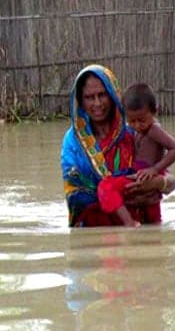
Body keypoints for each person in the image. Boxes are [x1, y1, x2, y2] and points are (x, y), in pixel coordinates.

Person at [61, 65, 167, 227]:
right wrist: (115, 193)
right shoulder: (73, 143)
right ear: (80, 102)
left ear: (113, 95)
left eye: (102, 95)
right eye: (89, 97)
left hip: (141, 225)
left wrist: (157, 184)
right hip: (94, 228)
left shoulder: (135, 131)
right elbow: (75, 192)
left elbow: (167, 178)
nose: (97, 103)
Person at [122, 83, 175, 196]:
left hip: (150, 175)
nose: (137, 126)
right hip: (141, 173)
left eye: (142, 120)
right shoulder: (134, 130)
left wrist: (154, 169)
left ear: (155, 112)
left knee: (151, 209)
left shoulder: (153, 130)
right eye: (132, 121)